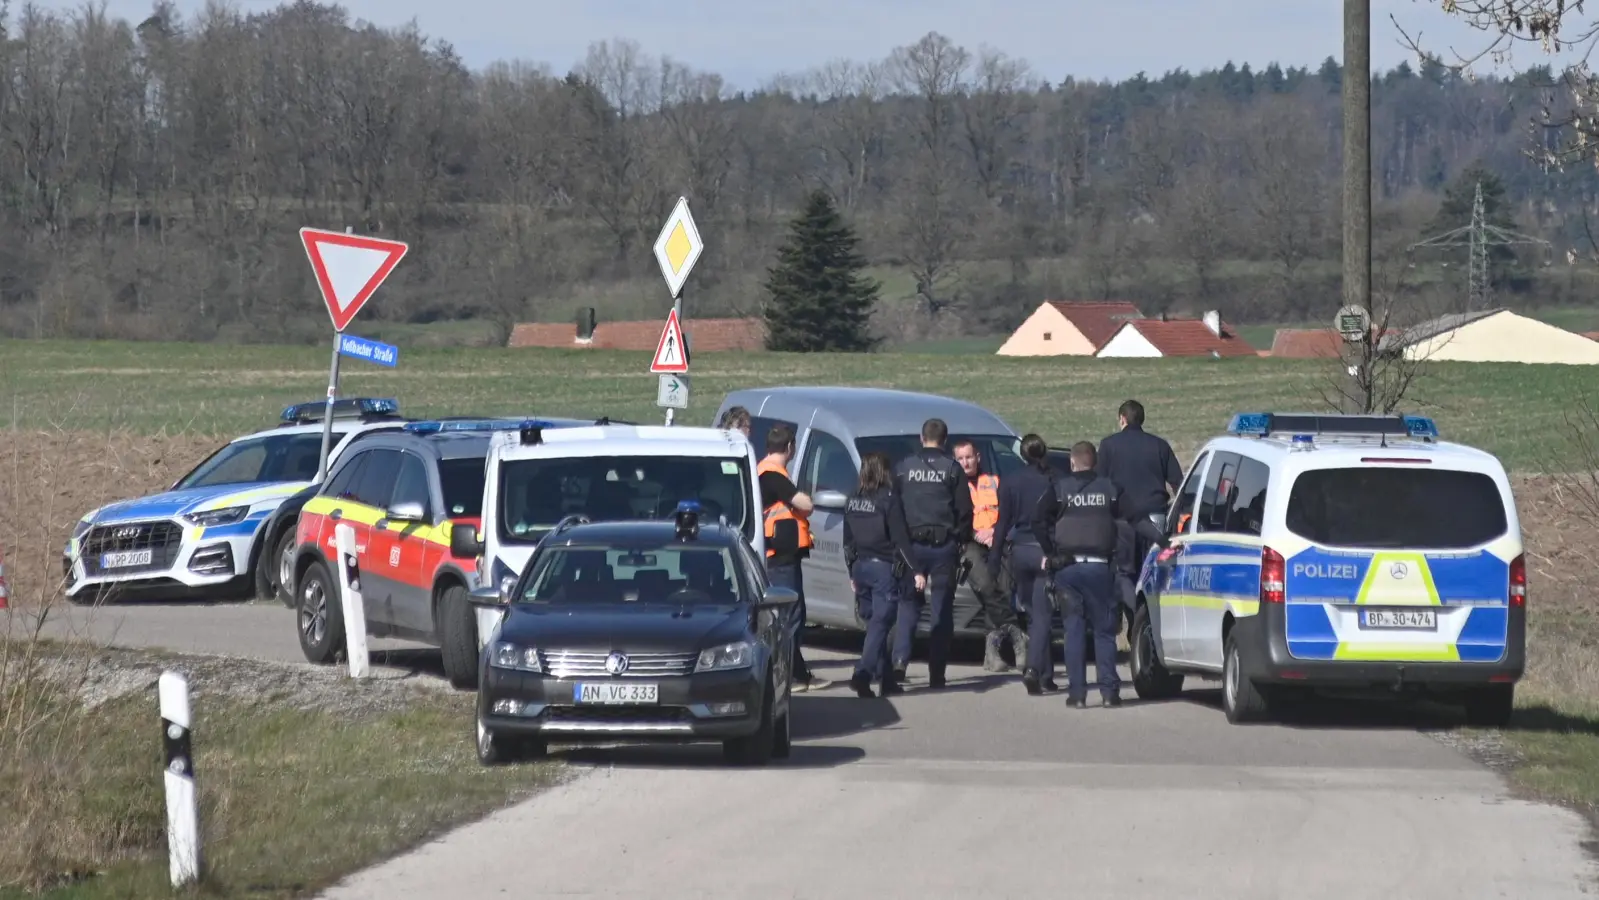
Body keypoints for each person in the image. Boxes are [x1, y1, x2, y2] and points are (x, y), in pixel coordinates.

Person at [1036, 440, 1123, 709]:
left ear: (1072, 462)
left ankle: (1077, 694)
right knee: (1105, 632)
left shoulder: (1059, 488)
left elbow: (1037, 520)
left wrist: (1051, 552)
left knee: (1073, 630)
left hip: (1069, 569)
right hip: (1100, 567)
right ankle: (1109, 693)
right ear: (1094, 462)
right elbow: (1129, 518)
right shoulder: (1109, 488)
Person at [890, 417, 971, 690]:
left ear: (921, 438)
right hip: (943, 547)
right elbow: (965, 511)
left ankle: (899, 663)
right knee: (941, 612)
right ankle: (937, 673)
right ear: (945, 440)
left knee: (908, 608)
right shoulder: (952, 469)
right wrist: (960, 540)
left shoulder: (903, 468)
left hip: (911, 548)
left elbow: (895, 510)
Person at [757, 423, 831, 692]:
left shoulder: (766, 472)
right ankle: (790, 676)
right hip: (780, 558)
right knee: (790, 618)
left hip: (779, 555)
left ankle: (797, 673)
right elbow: (806, 504)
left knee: (789, 617)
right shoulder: (772, 475)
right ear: (790, 448)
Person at [1097, 399, 1182, 632]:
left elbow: (1099, 484)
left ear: (1122, 418)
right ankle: (1150, 623)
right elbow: (1178, 483)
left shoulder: (1108, 446)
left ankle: (1136, 619)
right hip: (1155, 517)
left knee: (1125, 573)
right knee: (1152, 572)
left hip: (1121, 520)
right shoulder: (1159, 445)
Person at [843, 451, 921, 698]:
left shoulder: (852, 499)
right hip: (882, 569)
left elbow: (848, 541)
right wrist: (916, 570)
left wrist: (851, 572)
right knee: (881, 623)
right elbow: (901, 539)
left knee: (875, 626)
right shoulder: (888, 499)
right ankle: (862, 673)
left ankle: (886, 680)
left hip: (860, 568)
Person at [992, 434, 1058, 695]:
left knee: (1034, 615)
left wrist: (995, 558)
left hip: (1019, 551)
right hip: (1044, 549)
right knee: (1043, 615)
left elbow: (1001, 523)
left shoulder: (1010, 481)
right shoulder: (1054, 478)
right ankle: (1033, 669)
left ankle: (1046, 674)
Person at [953, 439, 1025, 673]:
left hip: (996, 540)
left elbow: (1008, 514)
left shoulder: (994, 482)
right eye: (961, 459)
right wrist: (975, 534)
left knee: (1004, 587)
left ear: (978, 458)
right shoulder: (953, 485)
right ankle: (1016, 634)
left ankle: (992, 653)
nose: (965, 462)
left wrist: (994, 533)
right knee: (985, 586)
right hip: (970, 542)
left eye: (969, 457)